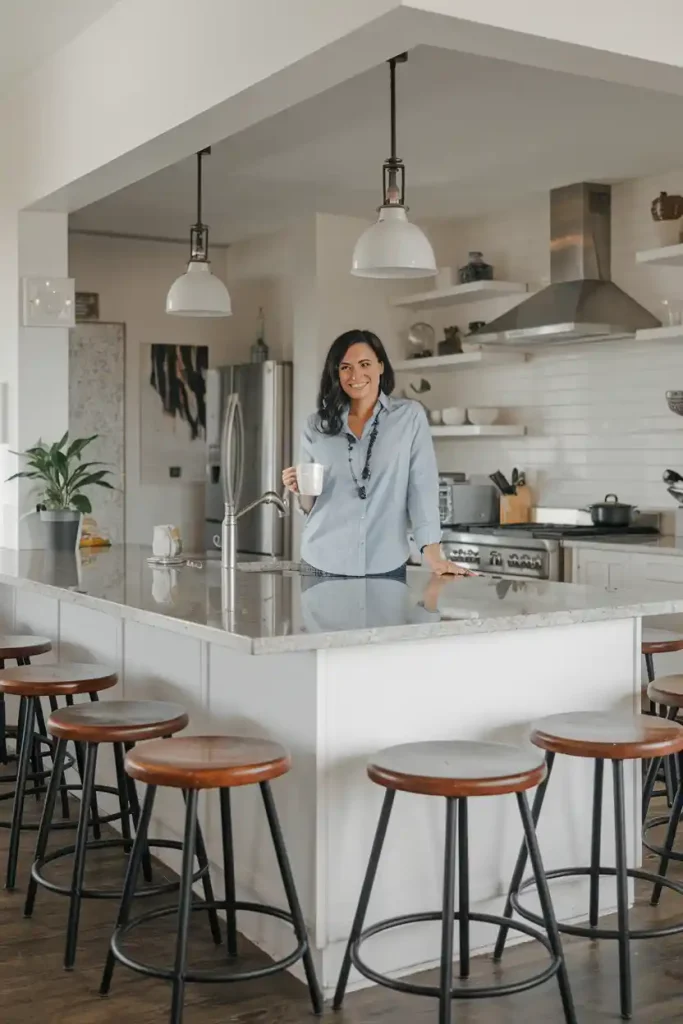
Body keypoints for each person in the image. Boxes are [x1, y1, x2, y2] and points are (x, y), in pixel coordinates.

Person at [282, 328, 471, 578]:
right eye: (345, 367)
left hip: (386, 566)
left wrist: (434, 557)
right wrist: (300, 486)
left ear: (381, 366)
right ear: (336, 373)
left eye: (364, 364)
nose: (356, 374)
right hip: (322, 564)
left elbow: (422, 489)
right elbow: (310, 506)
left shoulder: (409, 417)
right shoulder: (317, 425)